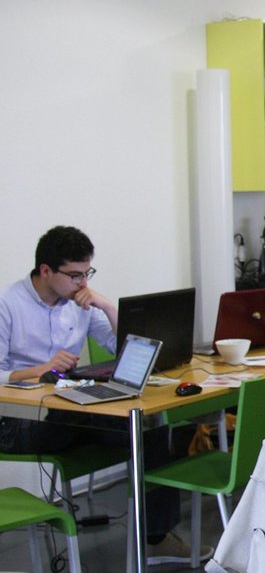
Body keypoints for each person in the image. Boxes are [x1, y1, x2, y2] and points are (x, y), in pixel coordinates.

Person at [0, 226, 203, 565]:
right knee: (83, 409)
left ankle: (155, 537)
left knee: (150, 430)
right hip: (19, 424)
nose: (82, 283)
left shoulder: (79, 303)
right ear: (46, 270)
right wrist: (40, 369)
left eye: (87, 273)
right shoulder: (7, 304)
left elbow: (128, 350)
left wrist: (106, 306)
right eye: (75, 275)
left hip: (70, 414)